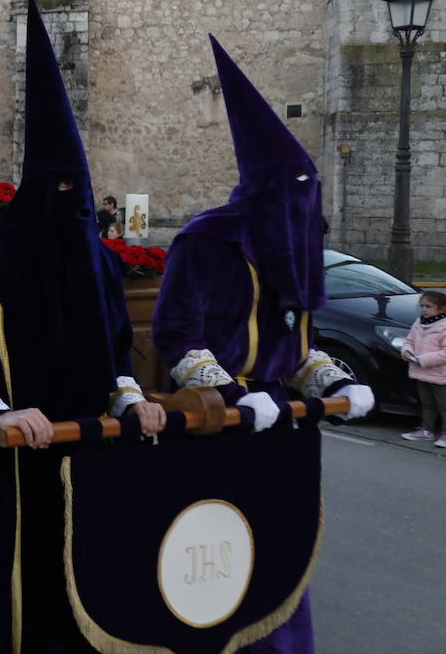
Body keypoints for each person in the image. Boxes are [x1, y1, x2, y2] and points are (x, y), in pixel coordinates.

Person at [0, 0, 165, 651]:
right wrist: (0, 413)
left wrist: (132, 401)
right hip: (16, 460)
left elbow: (116, 355)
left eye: (77, 195)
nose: (70, 207)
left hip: (91, 454)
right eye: (57, 192)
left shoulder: (101, 267)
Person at [151, 37, 375, 652]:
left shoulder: (292, 249)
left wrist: (336, 382)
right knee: (215, 549)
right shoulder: (207, 241)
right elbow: (177, 334)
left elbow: (297, 347)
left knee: (279, 544)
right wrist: (230, 394)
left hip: (281, 423)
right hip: (215, 422)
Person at [399, 290, 446, 449]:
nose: (424, 309)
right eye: (422, 306)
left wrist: (422, 360)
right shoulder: (420, 322)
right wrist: (406, 352)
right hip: (421, 371)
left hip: (440, 374)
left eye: (428, 306)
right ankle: (426, 429)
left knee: (445, 406)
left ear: (442, 308)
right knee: (427, 403)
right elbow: (409, 341)